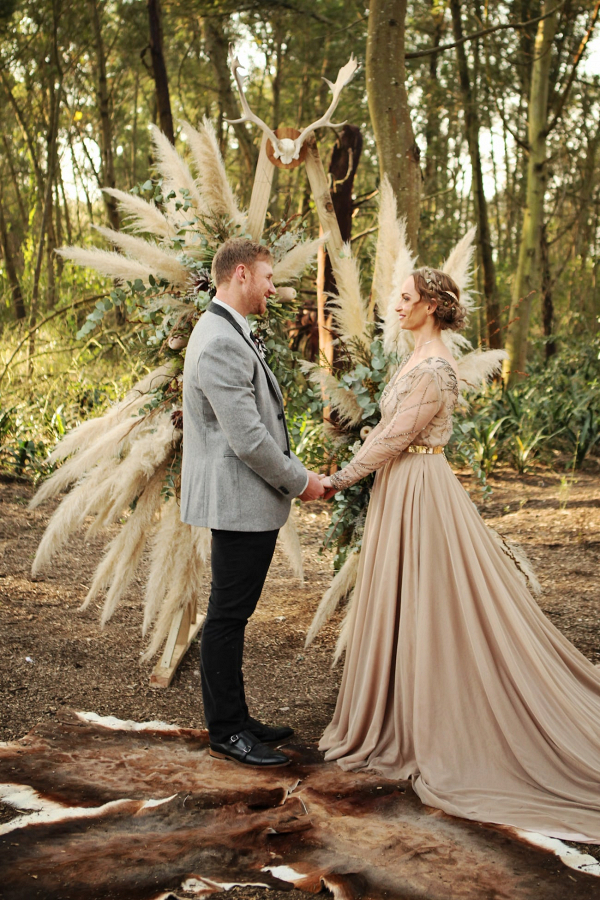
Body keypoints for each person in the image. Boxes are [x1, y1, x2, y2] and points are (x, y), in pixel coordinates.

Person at [319, 267, 600, 842]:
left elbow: (393, 436)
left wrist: (340, 479)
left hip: (419, 489)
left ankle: (443, 717)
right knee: (410, 595)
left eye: (405, 298)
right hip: (403, 487)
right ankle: (401, 708)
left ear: (429, 306)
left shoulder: (436, 370)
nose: (396, 305)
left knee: (433, 600)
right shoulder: (418, 359)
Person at [181, 238, 324, 768]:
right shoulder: (220, 339)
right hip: (238, 500)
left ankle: (237, 719)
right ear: (241, 274)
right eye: (267, 277)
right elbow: (247, 439)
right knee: (227, 616)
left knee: (231, 615)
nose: (273, 287)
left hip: (243, 499)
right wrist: (300, 480)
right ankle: (227, 733)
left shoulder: (227, 330)